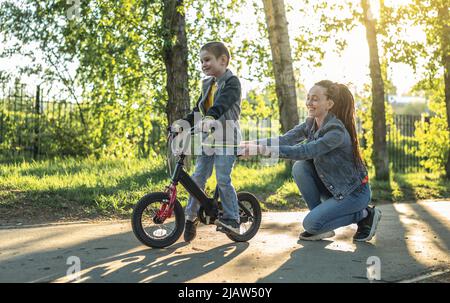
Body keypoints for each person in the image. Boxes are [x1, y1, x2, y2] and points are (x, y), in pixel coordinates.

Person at [241, 80, 381, 242]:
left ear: (329, 104)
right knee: (300, 167)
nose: (309, 103)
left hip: (354, 194)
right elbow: (286, 139)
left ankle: (364, 214)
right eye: (308, 98)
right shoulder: (311, 123)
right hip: (333, 188)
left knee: (310, 224)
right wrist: (253, 144)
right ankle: (321, 222)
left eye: (315, 99)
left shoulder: (336, 132)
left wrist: (260, 150)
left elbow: (305, 151)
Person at [176, 41, 242, 242]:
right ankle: (190, 217)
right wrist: (182, 124)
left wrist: (211, 117)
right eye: (201, 61)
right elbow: (199, 110)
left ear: (223, 60)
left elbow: (222, 104)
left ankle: (233, 219)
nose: (203, 64)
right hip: (208, 140)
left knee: (223, 178)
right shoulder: (207, 84)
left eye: (207, 60)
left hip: (227, 140)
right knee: (197, 178)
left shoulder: (232, 82)